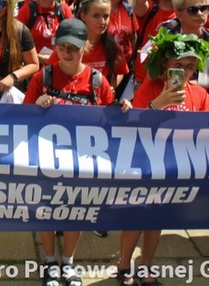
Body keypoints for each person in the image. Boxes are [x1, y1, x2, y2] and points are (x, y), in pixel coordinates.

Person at [24, 18, 131, 286]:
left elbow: (111, 118)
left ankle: (69, 263)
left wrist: (124, 107)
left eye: (73, 46)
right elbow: (22, 119)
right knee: (46, 209)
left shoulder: (97, 81)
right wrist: (37, 104)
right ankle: (50, 261)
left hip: (83, 160)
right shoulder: (43, 76)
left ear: (86, 47)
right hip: (47, 159)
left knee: (76, 210)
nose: (67, 52)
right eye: (62, 46)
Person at [118, 27, 209, 286]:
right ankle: (124, 265)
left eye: (190, 66)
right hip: (147, 165)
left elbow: (207, 131)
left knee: (157, 220)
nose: (185, 71)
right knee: (136, 218)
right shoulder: (151, 87)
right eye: (178, 65)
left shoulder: (201, 94)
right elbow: (133, 126)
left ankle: (146, 265)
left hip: (176, 168)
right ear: (165, 66)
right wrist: (158, 103)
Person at [16, 0, 73, 65]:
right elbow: (16, 42)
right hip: (33, 65)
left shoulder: (64, 10)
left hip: (59, 64)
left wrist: (54, 57)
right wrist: (38, 57)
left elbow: (71, 38)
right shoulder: (26, 10)